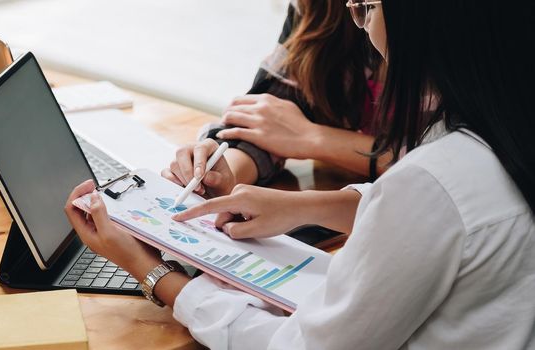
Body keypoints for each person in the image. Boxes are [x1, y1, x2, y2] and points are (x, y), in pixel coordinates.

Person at [65, 0, 535, 348]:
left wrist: (153, 272)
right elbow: (443, 217)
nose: (363, 23)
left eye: (368, 9)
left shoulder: (432, 180)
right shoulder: (498, 131)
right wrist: (301, 206)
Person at [163, 0, 387, 199]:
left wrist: (313, 138)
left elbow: (420, 157)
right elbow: (268, 123)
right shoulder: (323, 8)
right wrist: (221, 175)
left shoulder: (414, 24)